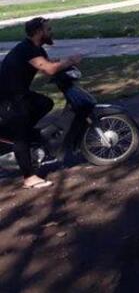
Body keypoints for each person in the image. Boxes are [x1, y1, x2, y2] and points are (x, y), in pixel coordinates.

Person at [0, 18, 80, 189]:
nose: (51, 32)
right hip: (8, 98)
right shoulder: (28, 50)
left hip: (18, 94)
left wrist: (62, 63)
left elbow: (48, 65)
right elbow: (49, 69)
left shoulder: (35, 49)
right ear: (38, 32)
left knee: (45, 103)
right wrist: (71, 60)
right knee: (21, 135)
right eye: (48, 29)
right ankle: (29, 177)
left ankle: (24, 133)